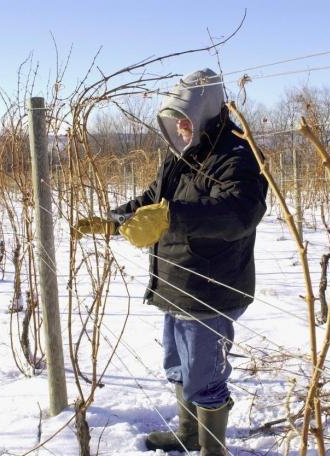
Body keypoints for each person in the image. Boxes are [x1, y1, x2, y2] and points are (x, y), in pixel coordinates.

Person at [76, 68, 267, 455]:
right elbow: (153, 198)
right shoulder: (181, 154)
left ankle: (213, 448)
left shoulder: (237, 154)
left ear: (206, 112)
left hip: (211, 289)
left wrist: (171, 217)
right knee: (177, 366)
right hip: (176, 283)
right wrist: (114, 221)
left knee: (205, 377)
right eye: (174, 120)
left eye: (186, 119)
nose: (180, 127)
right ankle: (190, 433)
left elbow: (239, 212)